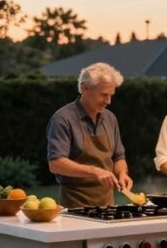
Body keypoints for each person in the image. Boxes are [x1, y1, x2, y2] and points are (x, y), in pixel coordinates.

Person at [47, 62, 132, 208]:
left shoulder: (110, 118)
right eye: (104, 95)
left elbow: (119, 157)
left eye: (111, 95)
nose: (109, 101)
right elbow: (56, 164)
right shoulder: (63, 118)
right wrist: (95, 171)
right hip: (75, 205)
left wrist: (122, 173)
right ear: (85, 89)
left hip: (108, 205)